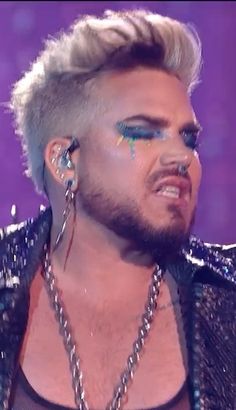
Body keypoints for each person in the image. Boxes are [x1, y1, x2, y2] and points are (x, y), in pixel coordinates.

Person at [1, 8, 235, 410]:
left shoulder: (226, 294)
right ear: (65, 162)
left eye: (188, 139)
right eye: (144, 132)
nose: (180, 156)